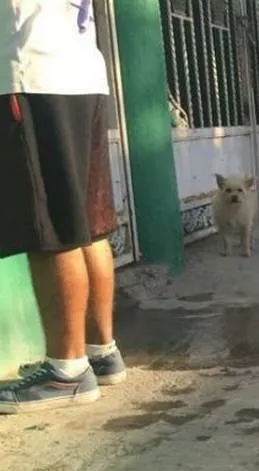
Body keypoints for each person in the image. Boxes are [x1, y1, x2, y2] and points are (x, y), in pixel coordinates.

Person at [0, 0, 126, 414]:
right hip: (81, 71)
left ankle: (66, 372)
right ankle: (99, 352)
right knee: (87, 226)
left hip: (32, 70)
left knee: (49, 225)